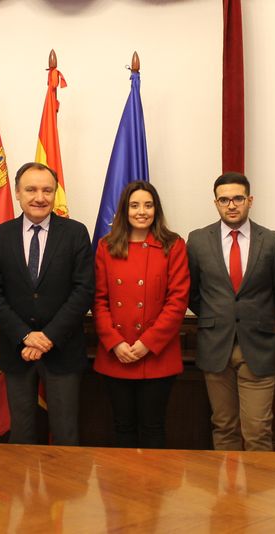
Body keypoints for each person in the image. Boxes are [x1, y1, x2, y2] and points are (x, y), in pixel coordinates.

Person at [0, 162, 94, 446]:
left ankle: (63, 491)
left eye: (47, 190)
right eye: (31, 189)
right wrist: (25, 335)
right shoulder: (0, 235)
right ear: (17, 193)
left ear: (55, 193)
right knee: (21, 433)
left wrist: (48, 337)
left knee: (66, 433)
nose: (39, 197)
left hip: (63, 350)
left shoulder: (75, 233)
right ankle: (23, 491)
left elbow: (83, 291)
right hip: (17, 349)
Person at [187, 172, 275, 451]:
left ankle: (258, 496)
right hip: (215, 346)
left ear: (250, 200)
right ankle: (229, 496)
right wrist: (216, 315)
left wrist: (258, 317)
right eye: (224, 200)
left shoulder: (271, 241)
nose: (231, 205)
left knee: (257, 431)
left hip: (257, 345)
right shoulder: (197, 241)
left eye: (237, 198)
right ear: (216, 203)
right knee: (224, 427)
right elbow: (191, 292)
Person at [93, 181, 189, 448]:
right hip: (117, 354)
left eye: (148, 205)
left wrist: (148, 343)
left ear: (156, 210)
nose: (142, 211)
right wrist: (115, 343)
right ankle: (124, 490)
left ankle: (153, 490)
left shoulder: (173, 245)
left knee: (153, 428)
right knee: (122, 428)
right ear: (125, 210)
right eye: (134, 205)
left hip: (157, 355)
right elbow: (99, 301)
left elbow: (177, 301)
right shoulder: (106, 246)